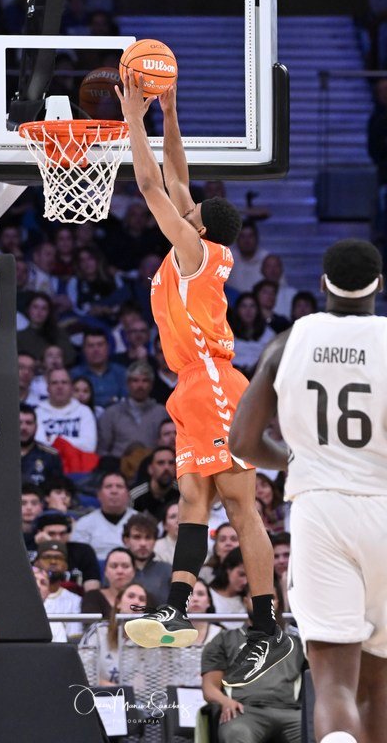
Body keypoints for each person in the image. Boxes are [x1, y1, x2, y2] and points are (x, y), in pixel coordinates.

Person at [115, 72, 291, 678]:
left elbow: (150, 183)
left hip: (214, 380)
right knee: (192, 498)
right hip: (192, 386)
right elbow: (175, 174)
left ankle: (267, 626)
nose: (180, 204)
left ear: (200, 227)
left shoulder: (193, 253)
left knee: (242, 507)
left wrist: (132, 116)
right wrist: (170, 111)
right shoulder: (195, 247)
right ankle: (174, 610)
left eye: (188, 210)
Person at [229, 238, 387, 741]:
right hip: (383, 506)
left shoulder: (289, 342)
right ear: (379, 285)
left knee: (335, 685)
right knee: (378, 686)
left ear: (323, 285)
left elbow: (242, 441)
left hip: (320, 510)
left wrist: (293, 458)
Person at [201, 587, 304, 743]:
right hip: (244, 711)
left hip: (291, 712)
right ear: (245, 601)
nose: (264, 603)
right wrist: (225, 702)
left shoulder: (296, 644)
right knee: (236, 733)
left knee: (317, 732)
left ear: (278, 603)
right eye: (256, 597)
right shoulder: (224, 639)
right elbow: (209, 688)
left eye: (271, 598)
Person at [79, 582, 150, 685]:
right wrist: (111, 688)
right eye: (131, 596)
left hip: (133, 695)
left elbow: (151, 680)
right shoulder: (98, 631)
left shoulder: (148, 640)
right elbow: (82, 671)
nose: (136, 602)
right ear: (118, 603)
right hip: (97, 693)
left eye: (142, 599)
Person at [34, 368, 99, 475]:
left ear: (71, 387)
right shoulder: (38, 412)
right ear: (48, 388)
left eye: (64, 382)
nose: (60, 387)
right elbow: (39, 445)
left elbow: (89, 446)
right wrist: (75, 442)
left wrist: (55, 439)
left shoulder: (84, 411)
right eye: (54, 383)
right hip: (46, 468)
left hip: (79, 470)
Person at [97, 360, 166, 458]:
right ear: (127, 384)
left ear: (151, 385)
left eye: (145, 381)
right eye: (135, 381)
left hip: (154, 465)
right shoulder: (111, 413)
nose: (140, 385)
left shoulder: (162, 413)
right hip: (118, 464)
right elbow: (102, 450)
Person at [70, 471, 136, 563]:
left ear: (128, 494)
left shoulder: (142, 523)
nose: (114, 491)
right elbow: (79, 558)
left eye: (119, 486)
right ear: (99, 494)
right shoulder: (84, 524)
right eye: (108, 486)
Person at [33, 511, 101, 592]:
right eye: (51, 533)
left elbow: (92, 587)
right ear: (40, 533)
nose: (58, 538)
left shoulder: (83, 551)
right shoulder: (29, 550)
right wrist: (43, 548)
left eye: (62, 533)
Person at [33, 540, 82, 641]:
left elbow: (74, 638)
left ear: (66, 565)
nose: (53, 562)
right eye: (47, 557)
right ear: (36, 563)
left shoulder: (75, 600)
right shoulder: (23, 598)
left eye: (58, 558)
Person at [71, 328, 127, 408]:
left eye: (100, 345)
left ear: (108, 348)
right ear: (84, 349)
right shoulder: (74, 375)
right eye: (91, 346)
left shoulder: (121, 373)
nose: (96, 350)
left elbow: (126, 401)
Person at [122, 514, 172, 604]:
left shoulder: (168, 571)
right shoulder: (117, 570)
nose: (143, 543)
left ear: (155, 541)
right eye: (137, 537)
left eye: (148, 537)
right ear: (126, 541)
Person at [81, 547, 135, 619]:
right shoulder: (92, 597)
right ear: (105, 571)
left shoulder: (143, 597)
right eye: (114, 566)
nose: (120, 571)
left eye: (125, 566)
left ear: (134, 571)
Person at [20, 403, 63, 490]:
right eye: (19, 423)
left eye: (28, 423)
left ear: (36, 427)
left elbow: (56, 490)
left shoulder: (50, 455)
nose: (24, 427)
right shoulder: (1, 455)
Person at [129, 446, 178, 520]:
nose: (166, 467)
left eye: (171, 463)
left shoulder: (182, 492)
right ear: (150, 469)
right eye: (161, 463)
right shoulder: (135, 495)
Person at [209, 547, 248, 630]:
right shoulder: (207, 594)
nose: (245, 581)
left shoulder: (249, 599)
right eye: (241, 574)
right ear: (229, 569)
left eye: (249, 577)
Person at [32, 565, 68, 643]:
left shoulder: (56, 625)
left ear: (48, 592)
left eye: (43, 583)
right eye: (33, 580)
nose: (38, 586)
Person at [153, 501, 179, 565]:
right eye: (173, 517)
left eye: (182, 515)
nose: (178, 520)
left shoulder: (197, 544)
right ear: (164, 525)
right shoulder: (157, 547)